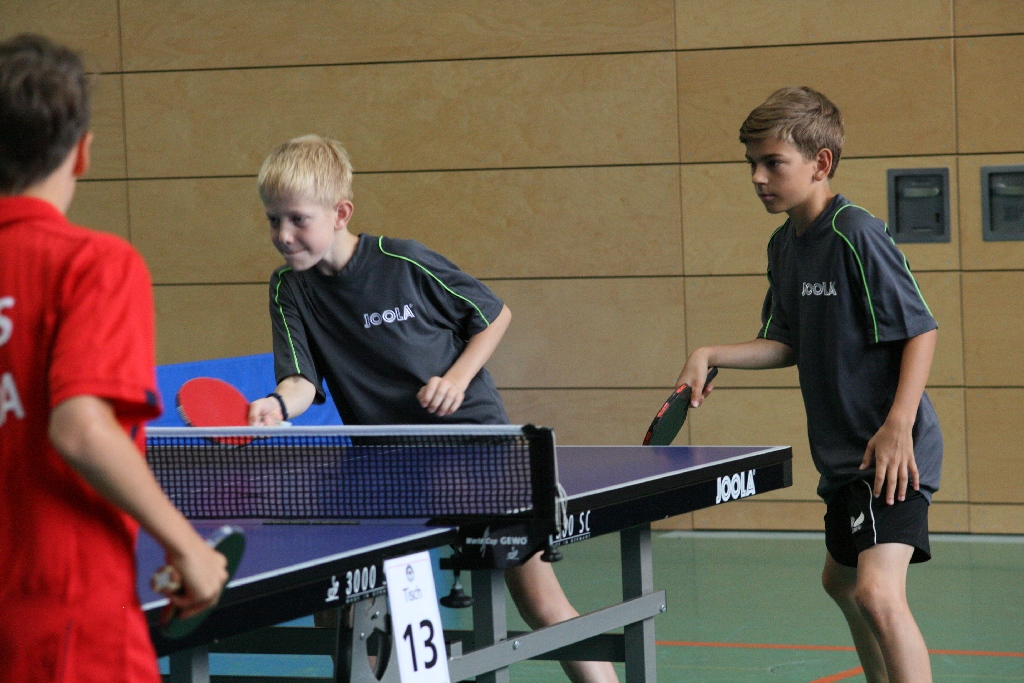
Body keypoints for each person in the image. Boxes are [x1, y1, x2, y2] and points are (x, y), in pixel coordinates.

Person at [247, 135, 618, 683]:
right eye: (273, 220)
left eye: (298, 219)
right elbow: (301, 379)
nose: (283, 235)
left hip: (477, 451)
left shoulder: (403, 261)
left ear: (341, 213)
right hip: (388, 466)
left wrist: (456, 379)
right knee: (343, 610)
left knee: (542, 604)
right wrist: (278, 403)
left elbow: (492, 314)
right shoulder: (289, 288)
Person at [676, 87, 941, 683]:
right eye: (752, 163)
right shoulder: (785, 246)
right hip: (843, 454)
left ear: (821, 163)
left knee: (876, 593)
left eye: (773, 163)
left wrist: (898, 426)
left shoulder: (856, 233)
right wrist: (710, 353)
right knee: (841, 582)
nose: (757, 177)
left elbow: (920, 329)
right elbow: (785, 342)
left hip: (890, 452)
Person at [0, 34, 229, 682]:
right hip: (67, 624)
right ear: (83, 152)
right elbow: (80, 427)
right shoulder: (94, 265)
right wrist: (187, 546)